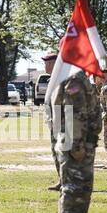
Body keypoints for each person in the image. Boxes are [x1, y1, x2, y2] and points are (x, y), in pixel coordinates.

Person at [52, 71, 102, 213]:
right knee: (76, 190)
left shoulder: (72, 77)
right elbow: (74, 113)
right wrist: (78, 147)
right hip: (76, 144)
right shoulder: (74, 79)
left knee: (73, 188)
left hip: (74, 142)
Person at [42, 51, 60, 191]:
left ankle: (68, 181)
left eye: (47, 62)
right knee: (56, 152)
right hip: (53, 122)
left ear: (54, 63)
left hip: (62, 122)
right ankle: (62, 180)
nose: (45, 65)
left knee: (64, 152)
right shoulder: (52, 80)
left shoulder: (61, 79)